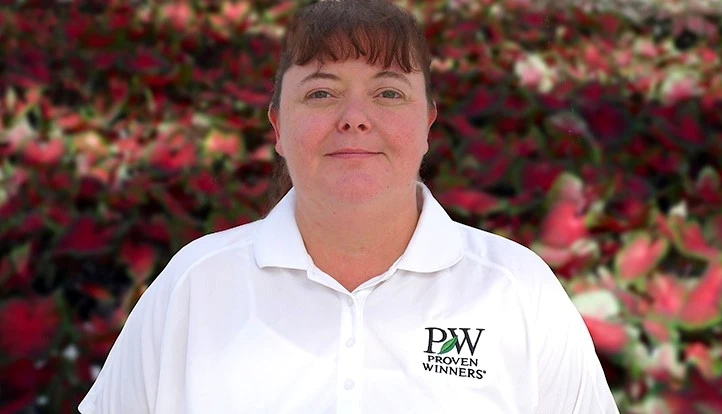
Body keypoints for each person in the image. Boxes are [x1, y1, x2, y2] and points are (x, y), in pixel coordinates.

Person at [78, 0, 620, 412]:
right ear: (278, 127)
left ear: (428, 123)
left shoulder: (518, 291)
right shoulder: (195, 285)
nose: (354, 118)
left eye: (388, 93)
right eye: (321, 93)